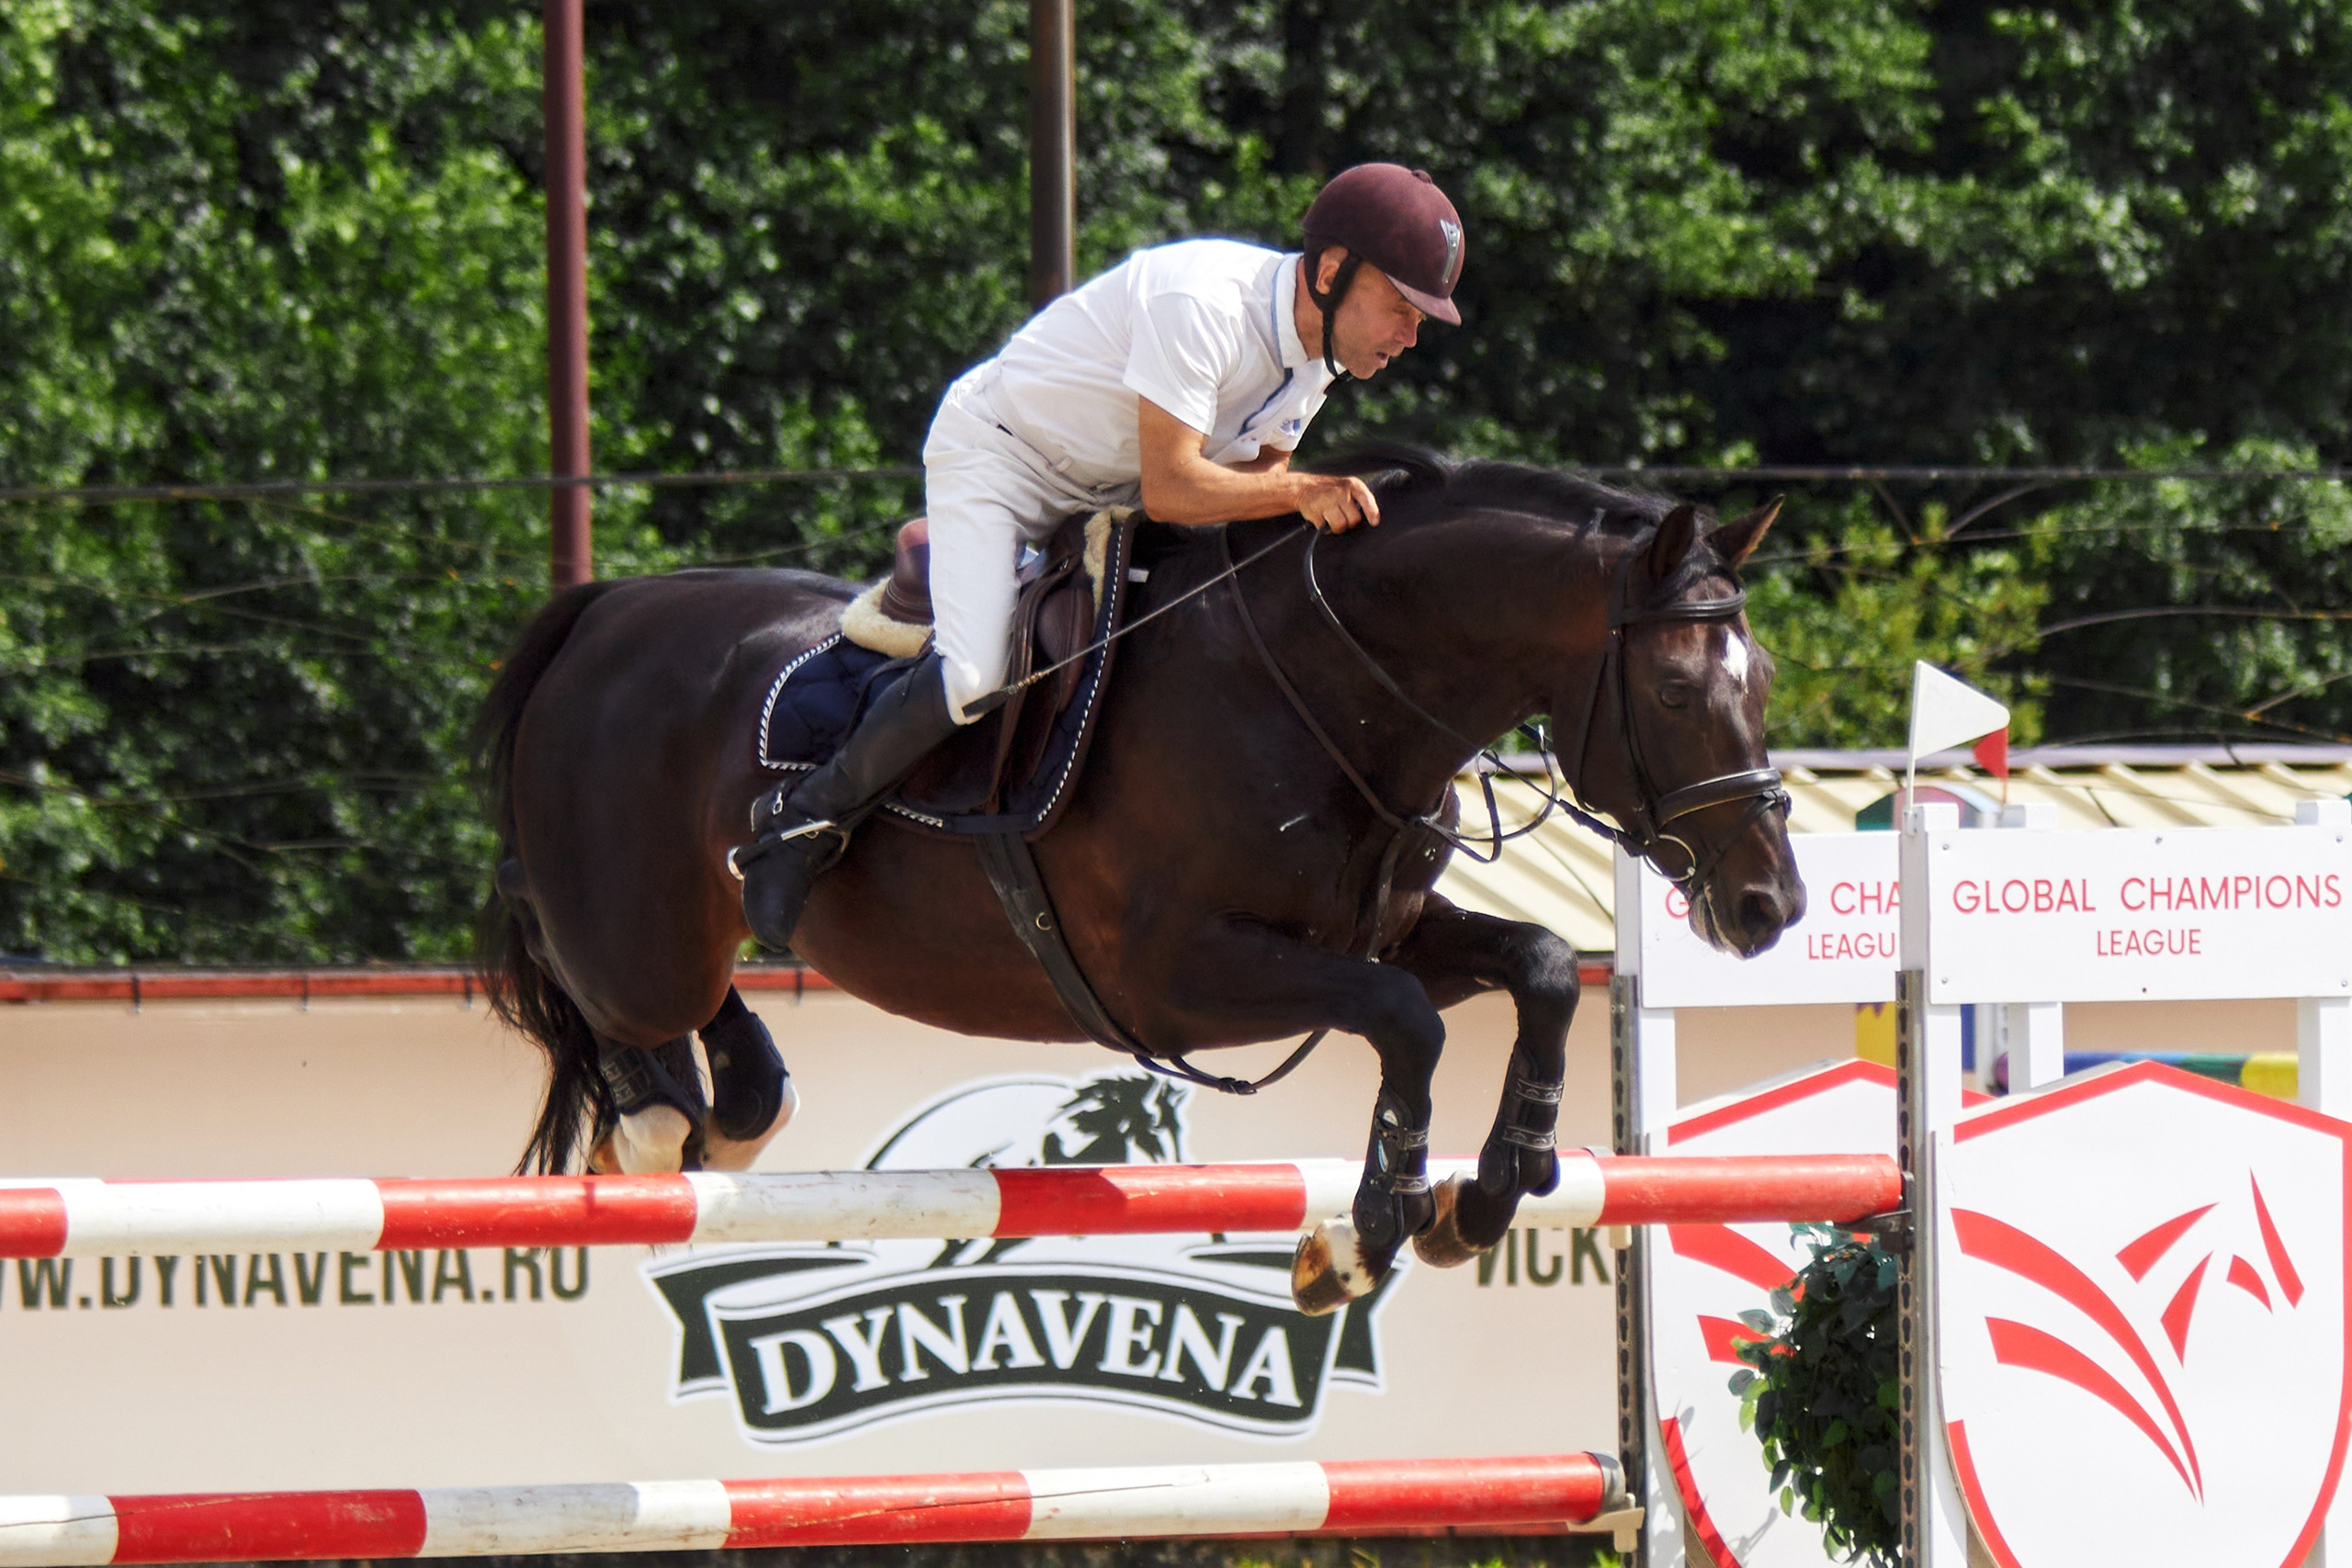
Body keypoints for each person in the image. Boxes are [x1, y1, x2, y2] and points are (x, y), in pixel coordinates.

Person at [735, 163, 1468, 950]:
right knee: (977, 673)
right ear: (1331, 272)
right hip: (1003, 462)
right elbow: (1180, 490)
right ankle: (804, 817)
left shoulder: (1316, 361)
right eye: (1400, 307)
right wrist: (1300, 494)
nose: (1410, 334)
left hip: (1107, 493)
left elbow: (1248, 490)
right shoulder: (1204, 304)